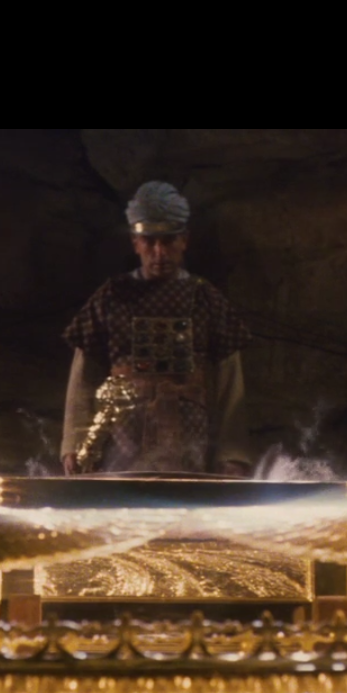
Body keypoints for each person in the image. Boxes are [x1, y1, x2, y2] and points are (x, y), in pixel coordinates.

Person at [60, 182, 253, 477]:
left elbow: (229, 380)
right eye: (149, 242)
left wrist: (232, 453)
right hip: (123, 438)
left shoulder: (205, 299)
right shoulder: (112, 296)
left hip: (189, 438)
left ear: (184, 240)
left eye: (168, 241)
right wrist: (75, 442)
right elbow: (84, 375)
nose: (159, 252)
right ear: (135, 243)